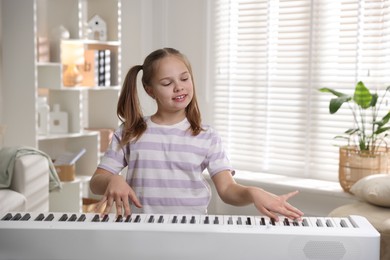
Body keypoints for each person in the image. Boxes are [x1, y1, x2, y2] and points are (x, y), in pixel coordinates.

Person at [89, 47, 304, 221]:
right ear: (149, 90)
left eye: (184, 78)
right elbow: (96, 181)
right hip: (140, 231)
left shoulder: (207, 136)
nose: (179, 87)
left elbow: (228, 189)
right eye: (167, 83)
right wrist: (113, 180)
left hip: (191, 231)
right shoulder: (130, 132)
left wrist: (252, 193)